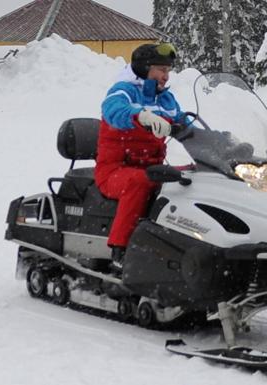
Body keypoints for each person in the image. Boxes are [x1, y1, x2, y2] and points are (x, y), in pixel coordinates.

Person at [95, 43, 185, 272]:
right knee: (139, 182)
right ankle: (120, 249)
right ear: (145, 68)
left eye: (168, 70)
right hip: (114, 171)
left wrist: (218, 140)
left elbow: (186, 123)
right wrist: (140, 117)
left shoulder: (165, 99)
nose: (166, 76)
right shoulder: (123, 90)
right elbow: (113, 110)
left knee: (190, 176)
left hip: (152, 168)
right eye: (161, 70)